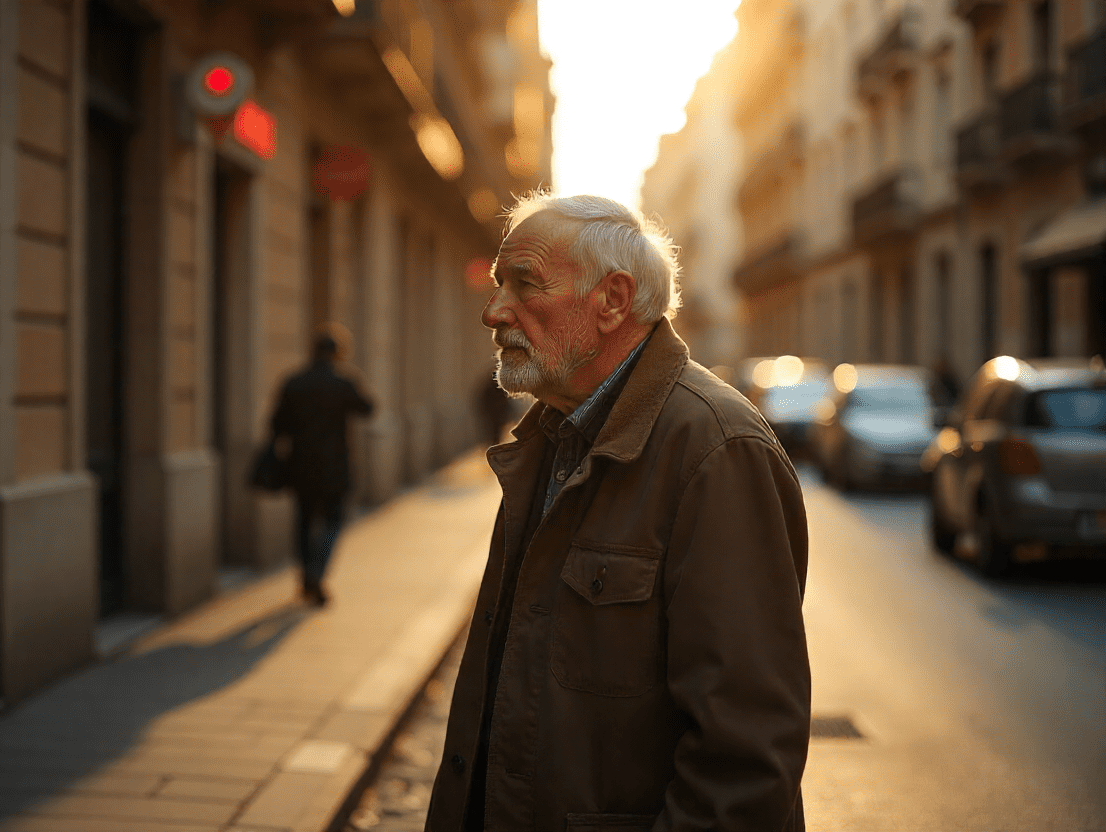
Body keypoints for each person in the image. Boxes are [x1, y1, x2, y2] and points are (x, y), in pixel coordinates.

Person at [426, 194, 810, 831]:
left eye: (525, 285)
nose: (494, 311)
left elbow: (743, 764)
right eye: (498, 286)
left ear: (612, 300)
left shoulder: (717, 450)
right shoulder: (551, 434)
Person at [269, 323, 373, 607]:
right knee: (333, 520)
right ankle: (317, 573)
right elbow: (368, 408)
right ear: (338, 353)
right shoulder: (343, 383)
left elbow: (276, 424)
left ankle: (306, 576)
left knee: (303, 522)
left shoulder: (294, 381)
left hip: (301, 465)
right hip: (334, 466)